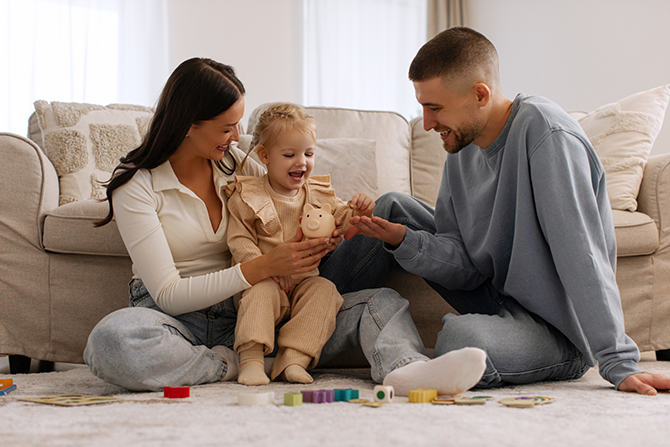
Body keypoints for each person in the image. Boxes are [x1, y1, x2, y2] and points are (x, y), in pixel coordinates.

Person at [83, 57, 487, 395]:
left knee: (380, 297)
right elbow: (168, 295)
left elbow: (298, 197)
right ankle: (231, 362)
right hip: (181, 320)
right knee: (112, 341)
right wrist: (265, 266)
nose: (237, 137)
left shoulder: (238, 162)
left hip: (269, 306)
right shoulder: (138, 184)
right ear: (189, 123)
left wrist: (328, 233)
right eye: (226, 127)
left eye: (238, 125)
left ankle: (406, 368)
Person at [345, 27, 670, 395]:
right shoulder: (461, 146)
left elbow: (584, 256)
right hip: (494, 293)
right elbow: (463, 263)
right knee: (391, 209)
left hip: (556, 330)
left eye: (435, 108)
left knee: (461, 339)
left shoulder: (548, 136)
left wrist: (618, 361)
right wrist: (404, 240)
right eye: (423, 106)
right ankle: (296, 319)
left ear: (480, 94)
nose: (428, 121)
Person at [225, 102, 375, 386]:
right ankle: (252, 361)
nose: (302, 162)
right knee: (260, 292)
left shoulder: (317, 193)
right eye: (290, 154)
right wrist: (266, 267)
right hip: (262, 279)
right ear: (264, 155)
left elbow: (341, 218)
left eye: (309, 153)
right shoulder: (247, 195)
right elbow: (240, 240)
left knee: (324, 290)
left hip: (303, 281)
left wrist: (358, 210)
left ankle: (293, 359)